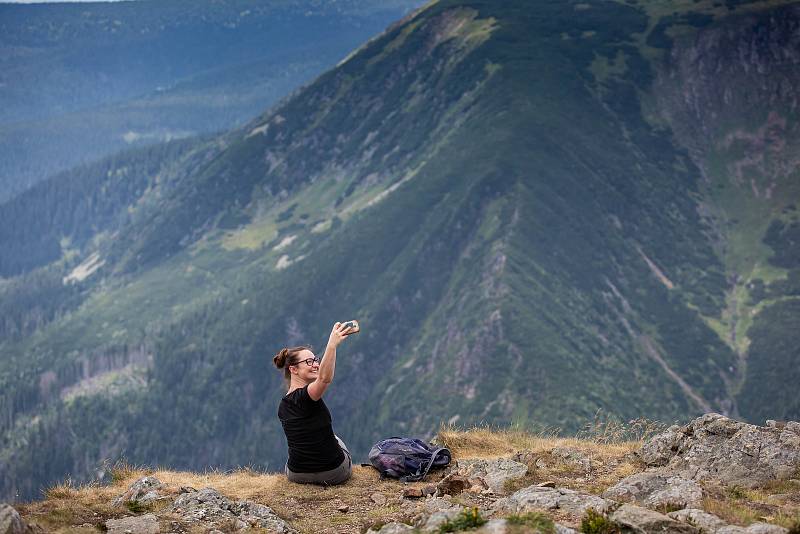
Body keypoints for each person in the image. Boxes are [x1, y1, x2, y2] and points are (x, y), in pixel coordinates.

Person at [273, 322, 354, 485]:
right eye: (309, 362)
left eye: (315, 360)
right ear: (293, 369)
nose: (316, 364)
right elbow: (325, 378)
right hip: (334, 473)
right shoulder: (306, 396)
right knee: (336, 440)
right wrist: (332, 344)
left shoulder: (283, 405)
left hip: (298, 475)